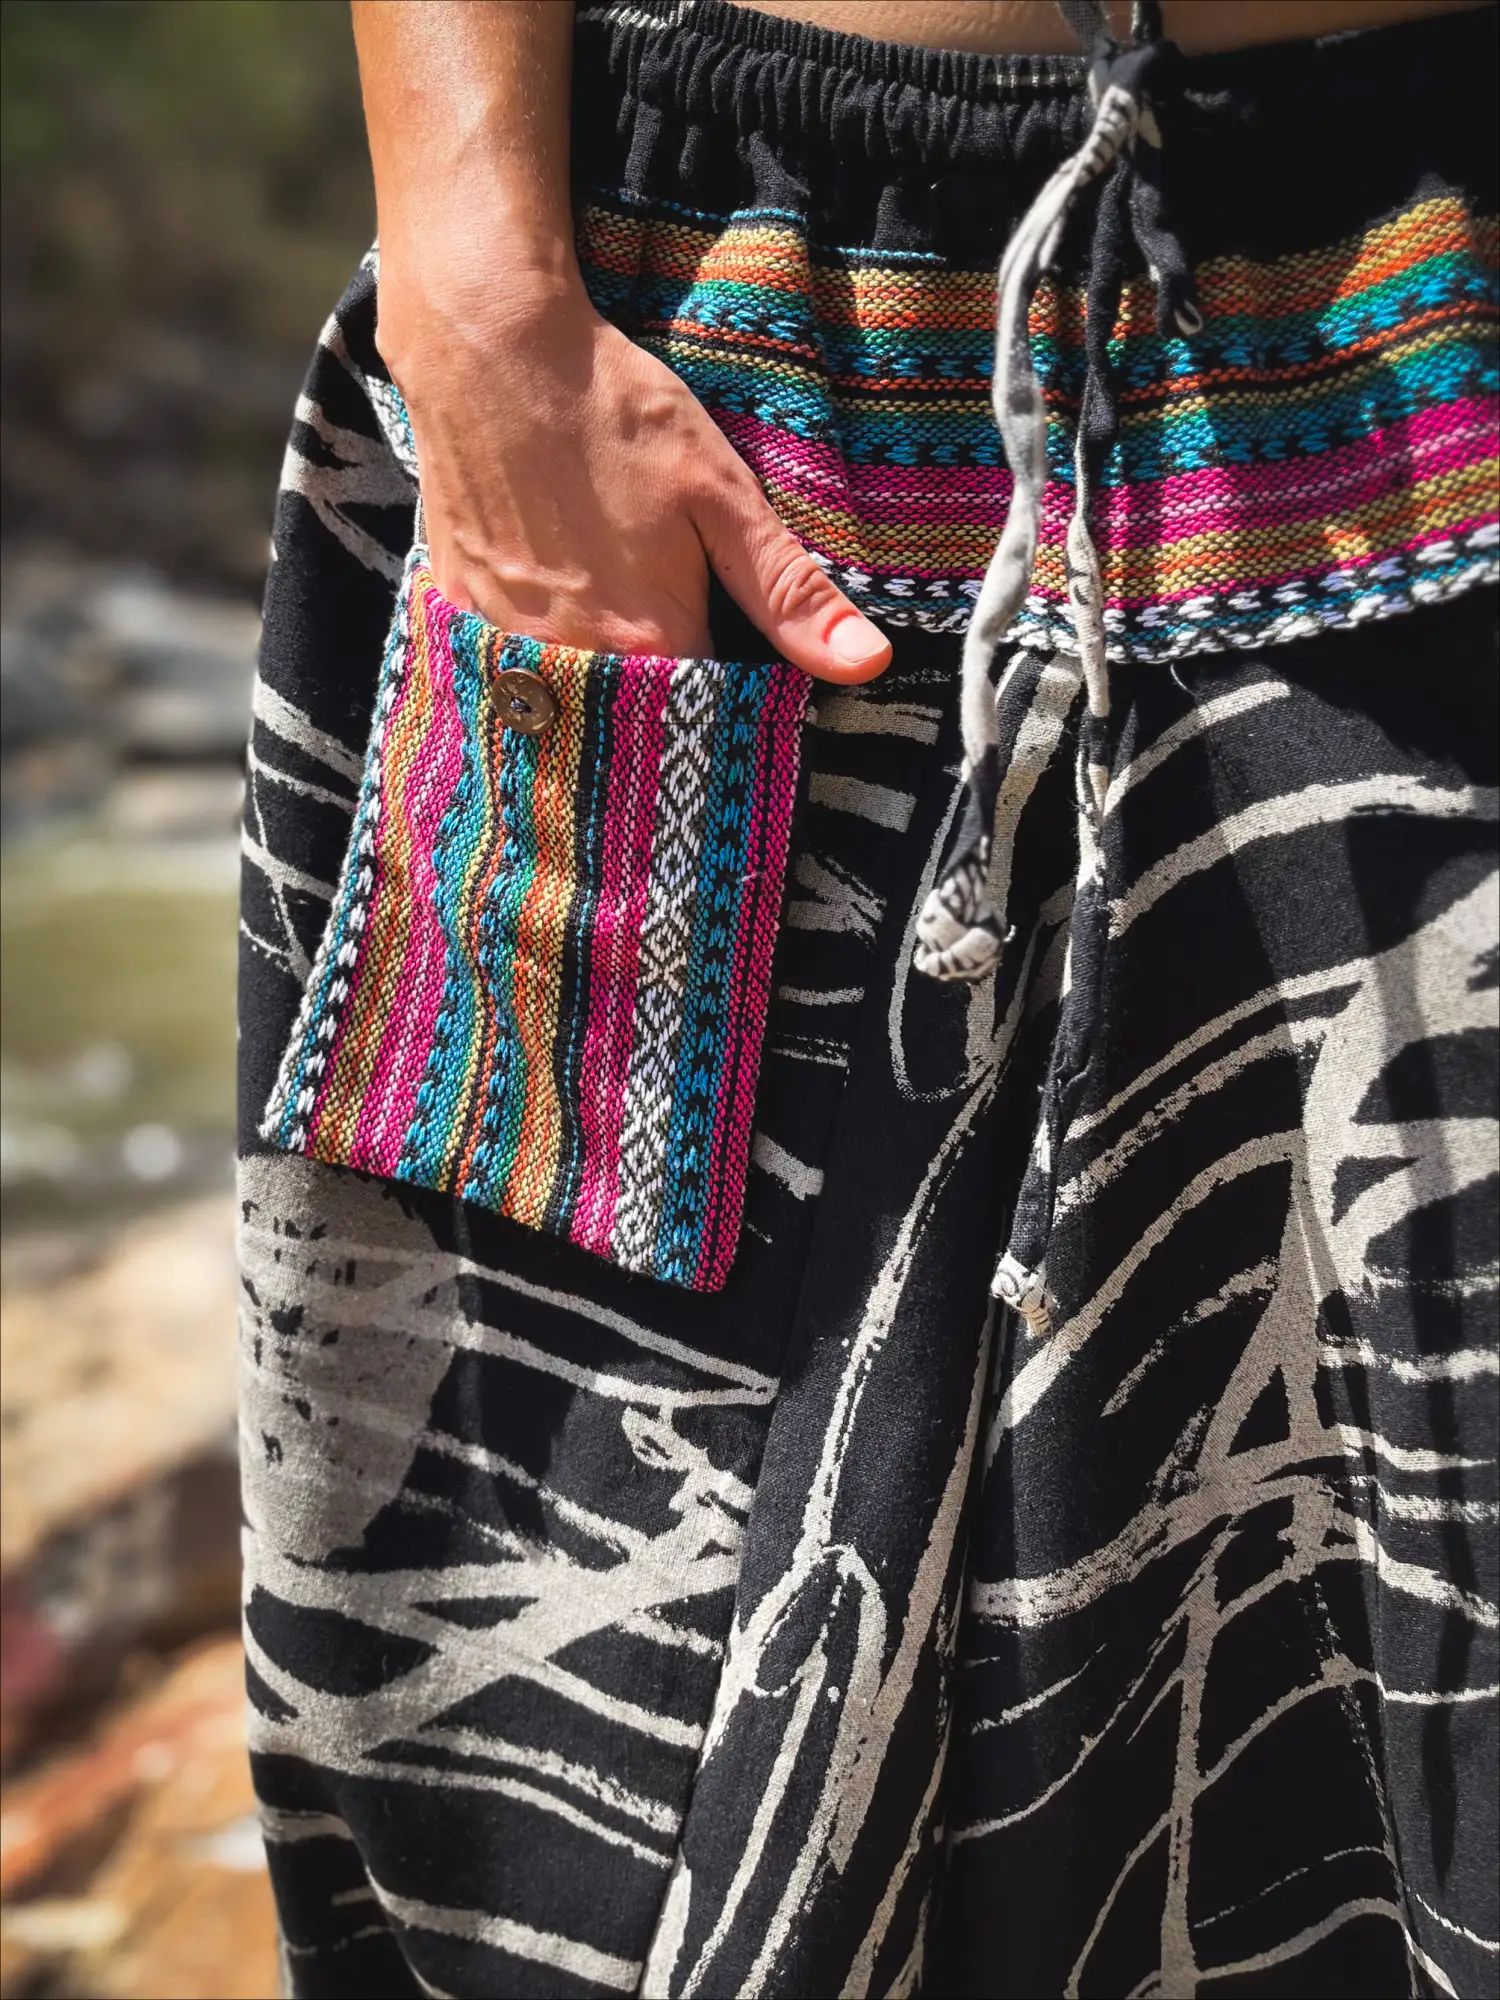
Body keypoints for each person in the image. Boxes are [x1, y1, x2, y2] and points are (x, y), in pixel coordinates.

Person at [238, 2, 1498, 1993]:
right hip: (700, 424)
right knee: (562, 1789)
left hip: (1442, 391)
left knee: (1402, 1724)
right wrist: (477, 288)